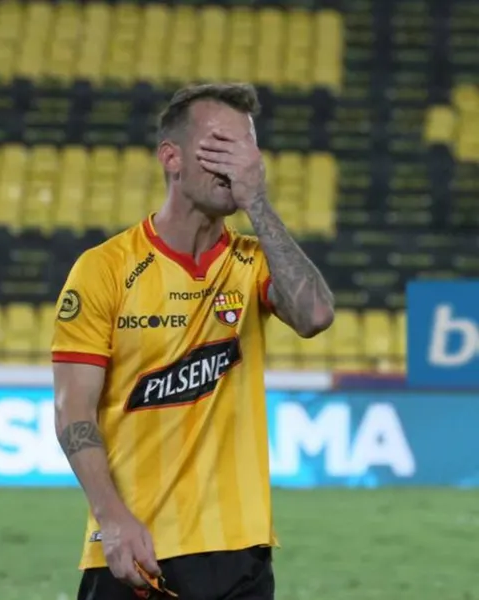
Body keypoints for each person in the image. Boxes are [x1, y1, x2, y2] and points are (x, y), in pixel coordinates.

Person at [51, 83, 335, 600]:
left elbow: (315, 315)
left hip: (240, 552)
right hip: (137, 548)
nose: (236, 163)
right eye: (219, 146)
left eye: (245, 149)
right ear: (172, 157)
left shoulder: (251, 263)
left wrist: (259, 202)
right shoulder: (105, 269)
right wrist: (111, 520)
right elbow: (73, 412)